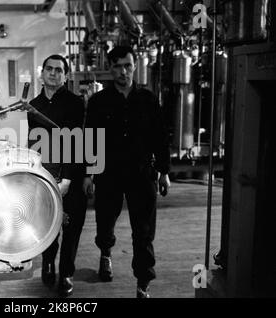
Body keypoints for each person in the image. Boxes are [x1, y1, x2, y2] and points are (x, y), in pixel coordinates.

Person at [83, 45, 171, 298]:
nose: (124, 71)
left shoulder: (148, 99)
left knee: (143, 232)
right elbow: (91, 140)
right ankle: (106, 252)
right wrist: (89, 174)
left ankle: (143, 282)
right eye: (118, 66)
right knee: (105, 222)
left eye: (128, 66)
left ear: (135, 66)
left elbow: (160, 136)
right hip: (109, 174)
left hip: (141, 173)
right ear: (110, 69)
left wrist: (163, 171)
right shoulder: (99, 102)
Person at [28, 54, 86, 297]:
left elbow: (79, 142)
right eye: (49, 69)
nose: (53, 73)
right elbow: (34, 143)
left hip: (70, 175)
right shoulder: (34, 105)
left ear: (66, 75)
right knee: (47, 225)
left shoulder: (76, 103)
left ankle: (67, 273)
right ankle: (49, 262)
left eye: (59, 70)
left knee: (71, 229)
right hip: (45, 175)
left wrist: (69, 179)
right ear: (42, 73)